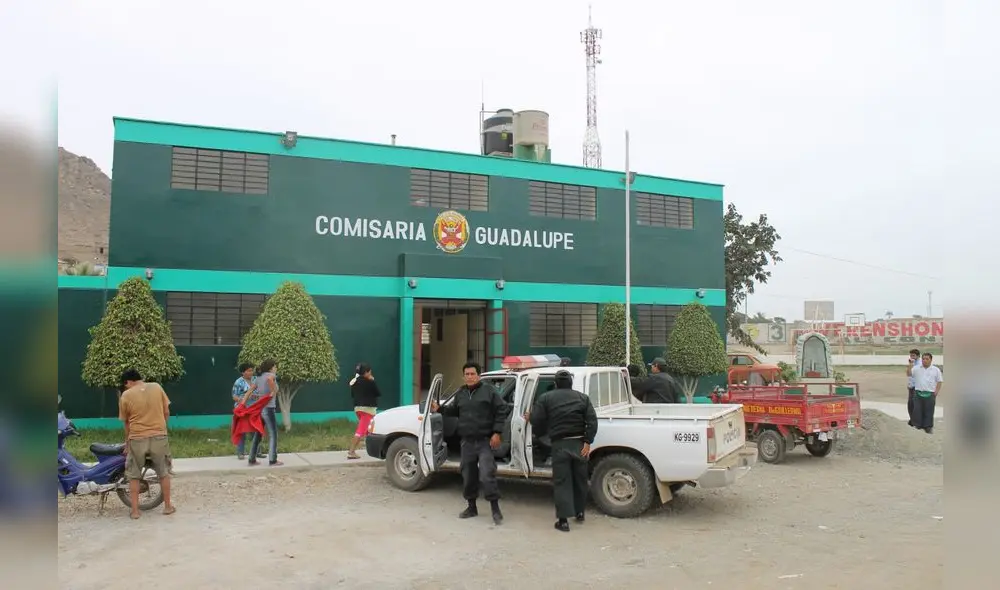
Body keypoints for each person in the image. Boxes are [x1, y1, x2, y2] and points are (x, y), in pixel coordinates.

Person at [431, 361, 507, 524]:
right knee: (468, 476)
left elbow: (502, 409)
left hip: (485, 441)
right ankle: (471, 507)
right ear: (463, 376)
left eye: (473, 374)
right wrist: (439, 409)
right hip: (467, 442)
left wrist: (497, 432)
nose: (470, 377)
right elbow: (453, 410)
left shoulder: (489, 391)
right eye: (467, 374)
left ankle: (495, 509)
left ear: (479, 375)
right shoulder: (461, 393)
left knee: (487, 475)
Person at [528, 369, 598, 532]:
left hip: (560, 445)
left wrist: (539, 432)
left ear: (555, 383)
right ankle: (580, 513)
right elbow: (592, 421)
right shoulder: (583, 398)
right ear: (571, 383)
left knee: (562, 481)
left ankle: (563, 521)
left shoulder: (546, 398)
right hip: (580, 445)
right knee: (579, 480)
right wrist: (587, 442)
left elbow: (537, 420)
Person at [118, 368, 175, 519]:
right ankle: (168, 507)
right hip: (159, 436)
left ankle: (135, 511)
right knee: (163, 472)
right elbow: (166, 412)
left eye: (126, 384)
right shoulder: (157, 387)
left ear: (129, 382)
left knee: (134, 475)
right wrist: (161, 428)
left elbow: (127, 423)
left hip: (137, 438)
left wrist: (127, 443)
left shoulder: (126, 395)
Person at [248, 359, 282, 466]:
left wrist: (244, 401)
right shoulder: (271, 376)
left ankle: (251, 459)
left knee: (258, 434)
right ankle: (273, 460)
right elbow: (273, 387)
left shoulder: (258, 377)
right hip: (269, 408)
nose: (276, 369)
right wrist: (273, 392)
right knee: (273, 434)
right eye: (275, 367)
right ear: (271, 367)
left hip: (260, 409)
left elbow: (250, 390)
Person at [347, 362, 380, 460]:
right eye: (370, 372)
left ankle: (372, 448)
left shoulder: (354, 382)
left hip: (357, 409)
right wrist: (373, 381)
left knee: (368, 430)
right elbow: (377, 393)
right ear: (366, 372)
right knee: (361, 430)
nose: (370, 373)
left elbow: (353, 395)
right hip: (368, 410)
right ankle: (351, 452)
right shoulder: (370, 382)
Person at [232, 363, 263, 460]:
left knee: (256, 430)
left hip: (254, 409)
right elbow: (234, 396)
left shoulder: (255, 380)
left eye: (251, 370)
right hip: (243, 410)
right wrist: (244, 399)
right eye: (248, 370)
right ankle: (240, 452)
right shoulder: (239, 382)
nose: (251, 372)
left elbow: (261, 392)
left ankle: (257, 452)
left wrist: (257, 396)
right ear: (243, 372)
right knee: (242, 430)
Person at [907, 352, 943, 434]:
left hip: (930, 393)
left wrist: (936, 392)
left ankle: (928, 427)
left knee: (929, 411)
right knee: (917, 410)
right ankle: (917, 425)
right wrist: (910, 365)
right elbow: (909, 374)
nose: (925, 360)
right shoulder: (916, 368)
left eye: (927, 359)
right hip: (918, 392)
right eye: (923, 359)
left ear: (931, 360)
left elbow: (939, 381)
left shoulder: (936, 370)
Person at [905, 349, 920, 428]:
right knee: (910, 405)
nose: (912, 357)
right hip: (911, 386)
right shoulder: (912, 363)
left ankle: (915, 421)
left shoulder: (920, 364)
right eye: (911, 355)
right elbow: (908, 374)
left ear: (918, 356)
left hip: (917, 387)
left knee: (915, 404)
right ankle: (912, 420)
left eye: (913, 355)